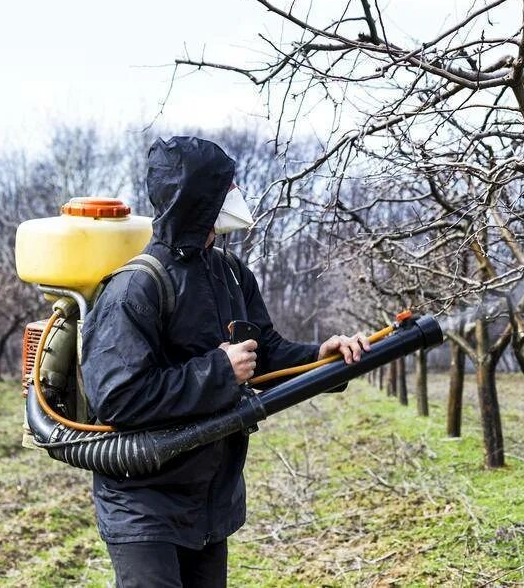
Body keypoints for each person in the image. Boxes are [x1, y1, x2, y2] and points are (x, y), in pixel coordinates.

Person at [81, 136, 370, 587]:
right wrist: (219, 370)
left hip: (209, 499)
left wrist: (320, 357)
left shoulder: (232, 272)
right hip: (143, 505)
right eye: (225, 187)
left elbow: (265, 353)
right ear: (198, 199)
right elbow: (119, 398)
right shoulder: (135, 288)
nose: (235, 195)